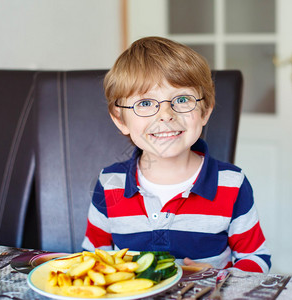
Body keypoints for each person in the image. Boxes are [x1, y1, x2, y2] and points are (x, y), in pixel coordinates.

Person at [82, 36, 271, 273]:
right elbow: (92, 258)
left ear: (205, 111)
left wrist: (219, 278)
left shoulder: (232, 184)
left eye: (181, 99)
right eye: (145, 103)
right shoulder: (109, 183)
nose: (165, 115)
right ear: (121, 119)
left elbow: (256, 258)